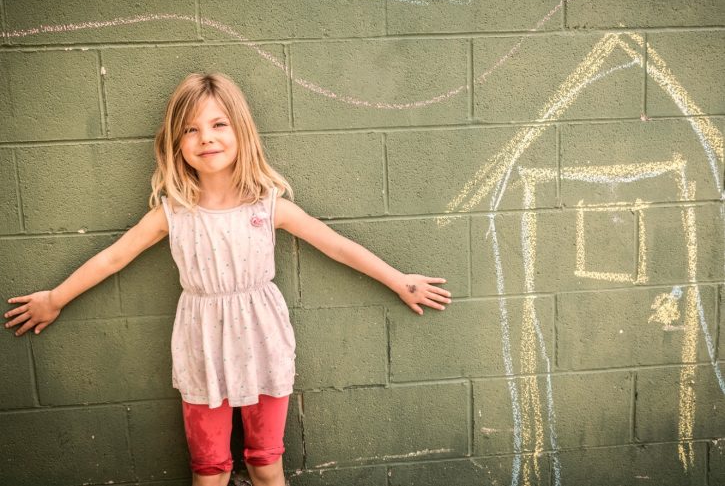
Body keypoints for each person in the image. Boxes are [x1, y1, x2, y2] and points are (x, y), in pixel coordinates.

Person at [4, 72, 452, 486]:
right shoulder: (172, 214)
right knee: (210, 471)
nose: (206, 138)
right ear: (177, 142)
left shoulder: (268, 206)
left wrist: (398, 279)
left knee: (265, 464)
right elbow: (112, 259)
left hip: (263, 342)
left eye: (219, 125)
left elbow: (336, 245)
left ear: (241, 131)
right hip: (202, 348)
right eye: (191, 129)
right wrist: (55, 298)